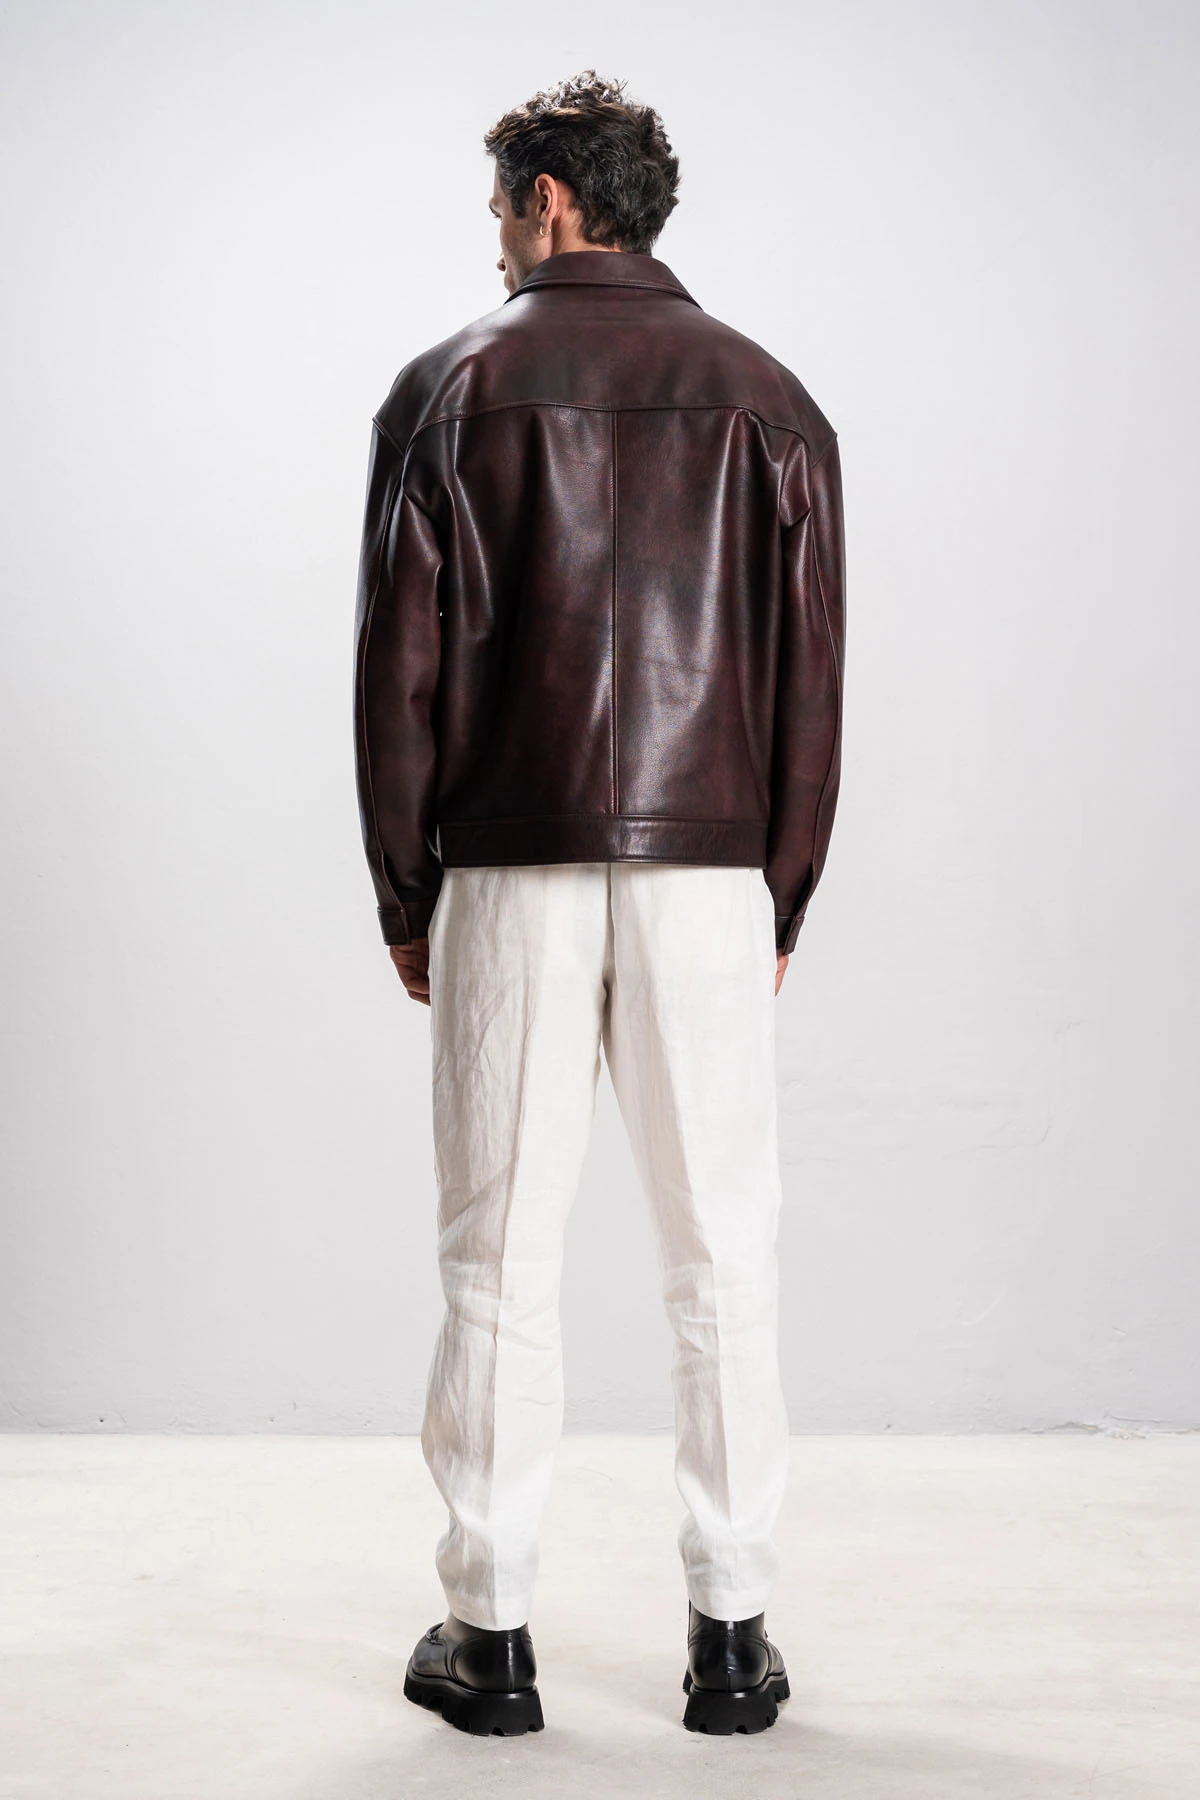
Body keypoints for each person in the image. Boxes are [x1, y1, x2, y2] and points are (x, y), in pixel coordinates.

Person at [351, 69, 846, 1738]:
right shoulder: (768, 401)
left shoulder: (448, 391)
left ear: (551, 201)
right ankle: (733, 1637)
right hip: (710, 872)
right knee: (725, 1258)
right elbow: (811, 682)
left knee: (498, 1261)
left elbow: (396, 678)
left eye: (501, 206)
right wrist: (779, 896)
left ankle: (488, 1638)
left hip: (509, 867)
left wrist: (406, 890)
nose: (493, 237)